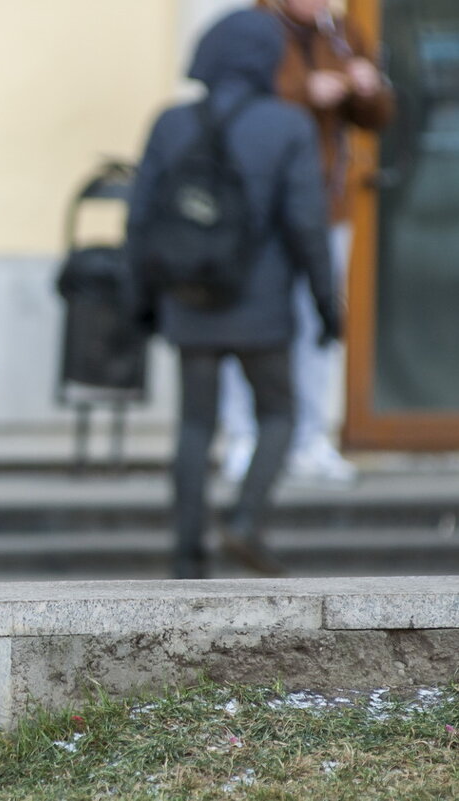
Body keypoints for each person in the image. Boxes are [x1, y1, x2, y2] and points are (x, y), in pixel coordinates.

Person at [128, 9, 341, 579]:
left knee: (195, 424)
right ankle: (245, 521)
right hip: (262, 303)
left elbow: (140, 218)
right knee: (279, 413)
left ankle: (186, 553)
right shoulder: (287, 124)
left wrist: (144, 301)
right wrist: (328, 304)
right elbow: (306, 226)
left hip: (188, 299)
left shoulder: (170, 123)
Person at [219, 0, 395, 485]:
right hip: (260, 207)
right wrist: (304, 91)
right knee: (246, 321)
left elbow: (377, 116)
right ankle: (243, 436)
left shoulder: (342, 32)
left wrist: (367, 87)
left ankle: (311, 438)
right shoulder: (253, 28)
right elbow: (233, 97)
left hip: (324, 205)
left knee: (321, 323)